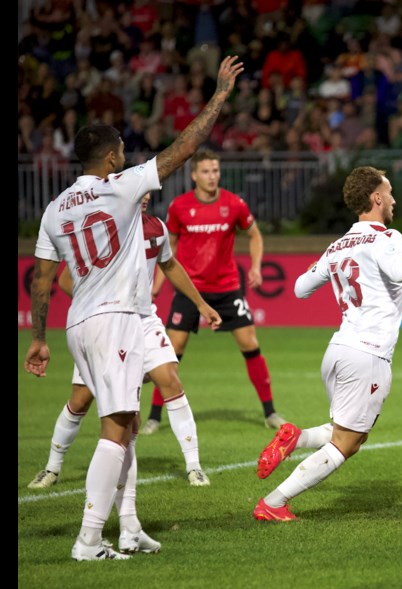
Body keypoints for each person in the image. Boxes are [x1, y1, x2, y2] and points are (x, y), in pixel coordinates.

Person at [24, 56, 244, 561]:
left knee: (126, 421)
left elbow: (41, 283)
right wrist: (219, 96)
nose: (126, 155)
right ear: (109, 160)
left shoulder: (55, 208)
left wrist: (39, 338)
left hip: (77, 320)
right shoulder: (121, 187)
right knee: (116, 429)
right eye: (121, 149)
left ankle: (127, 528)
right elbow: (184, 148)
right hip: (116, 318)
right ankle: (88, 539)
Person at [251, 166, 402, 521]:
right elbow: (401, 271)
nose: (393, 199)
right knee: (347, 442)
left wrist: (321, 265)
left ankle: (295, 438)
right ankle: (274, 503)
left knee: (347, 433)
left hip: (338, 351)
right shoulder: (387, 237)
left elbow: (299, 289)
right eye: (388, 192)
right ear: (376, 198)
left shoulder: (338, 245)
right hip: (367, 355)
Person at [27, 195, 223, 491]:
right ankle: (52, 468)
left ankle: (194, 466)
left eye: (147, 193)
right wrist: (96, 304)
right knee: (80, 400)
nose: (143, 198)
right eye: (138, 192)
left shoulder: (156, 228)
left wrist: (201, 304)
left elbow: (169, 265)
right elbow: (66, 279)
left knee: (170, 379)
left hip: (144, 320)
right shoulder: (102, 230)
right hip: (105, 323)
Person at [144, 148, 285, 433]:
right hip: (189, 290)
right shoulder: (179, 207)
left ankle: (270, 412)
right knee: (172, 350)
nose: (212, 176)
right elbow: (166, 253)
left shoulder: (234, 204)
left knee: (249, 343)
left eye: (216, 171)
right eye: (206, 171)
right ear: (194, 175)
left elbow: (254, 234)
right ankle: (155, 416)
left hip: (227, 289)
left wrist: (256, 267)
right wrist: (155, 288)